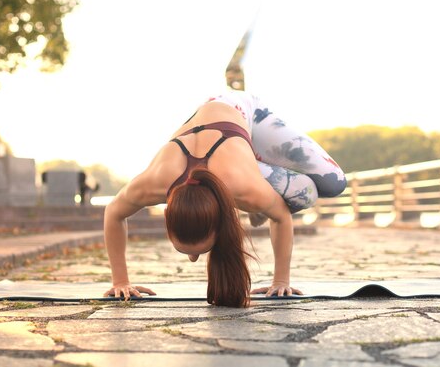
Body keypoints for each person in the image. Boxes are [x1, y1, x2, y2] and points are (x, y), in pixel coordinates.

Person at [103, 89, 347, 307]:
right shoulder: (154, 182)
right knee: (278, 193)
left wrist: (280, 280)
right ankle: (256, 175)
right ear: (168, 213)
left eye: (199, 251)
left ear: (221, 220)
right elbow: (112, 212)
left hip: (242, 112)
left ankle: (257, 172)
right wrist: (120, 281)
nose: (193, 259)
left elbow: (282, 217)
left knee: (324, 186)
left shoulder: (242, 188)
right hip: (220, 145)